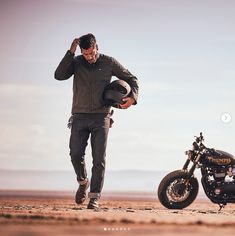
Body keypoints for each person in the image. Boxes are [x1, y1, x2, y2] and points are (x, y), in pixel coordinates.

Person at [54, 33, 139, 209]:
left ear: (97, 47)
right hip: (79, 116)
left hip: (102, 117)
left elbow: (132, 79)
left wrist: (133, 98)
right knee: (75, 154)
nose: (89, 57)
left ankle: (94, 197)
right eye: (85, 54)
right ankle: (83, 181)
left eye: (91, 53)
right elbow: (59, 75)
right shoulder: (76, 62)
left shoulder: (109, 62)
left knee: (99, 158)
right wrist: (70, 52)